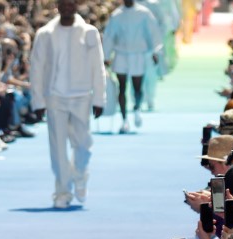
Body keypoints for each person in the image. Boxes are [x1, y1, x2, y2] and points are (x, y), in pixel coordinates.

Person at [29, 0, 106, 209]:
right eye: (63, 3)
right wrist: (38, 100)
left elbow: (97, 66)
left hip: (81, 96)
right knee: (58, 148)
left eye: (71, 3)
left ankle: (80, 174)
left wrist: (99, 98)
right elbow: (37, 67)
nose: (67, 7)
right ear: (58, 6)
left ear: (76, 6)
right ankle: (62, 191)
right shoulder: (45, 33)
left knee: (83, 145)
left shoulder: (89, 32)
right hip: (54, 96)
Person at [103, 0, 161, 133]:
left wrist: (156, 51)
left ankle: (137, 108)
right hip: (121, 55)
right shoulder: (117, 15)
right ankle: (124, 120)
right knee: (122, 88)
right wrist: (106, 56)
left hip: (137, 54)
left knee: (137, 88)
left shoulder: (143, 13)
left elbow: (153, 32)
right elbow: (109, 36)